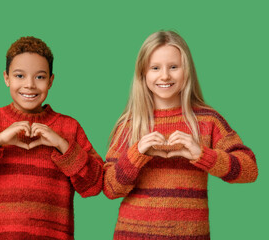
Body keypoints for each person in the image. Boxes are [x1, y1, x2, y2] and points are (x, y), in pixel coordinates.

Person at [0, 36, 104, 240]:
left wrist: (62, 145)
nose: (30, 85)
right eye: (19, 76)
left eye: (40, 77)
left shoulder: (69, 127)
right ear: (6, 78)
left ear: (51, 80)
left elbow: (95, 185)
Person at [103, 31, 258, 240]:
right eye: (155, 68)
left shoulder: (208, 120)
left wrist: (202, 154)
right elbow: (111, 188)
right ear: (143, 74)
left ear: (187, 71)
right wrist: (136, 154)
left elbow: (249, 169)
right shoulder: (129, 124)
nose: (165, 75)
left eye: (174, 67)